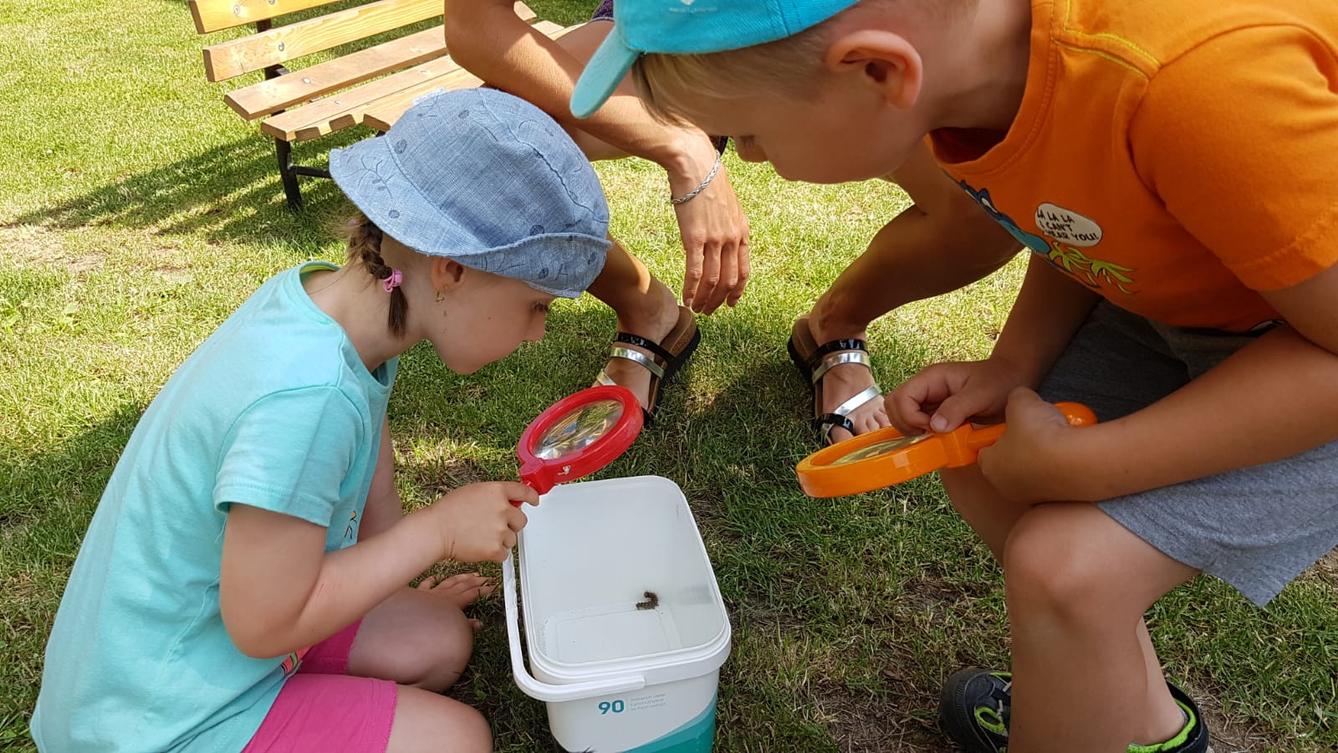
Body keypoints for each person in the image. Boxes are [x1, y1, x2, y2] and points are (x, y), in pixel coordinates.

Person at [569, 1, 1338, 752]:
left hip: (1309, 352)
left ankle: (1079, 689)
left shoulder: (1191, 84)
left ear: (876, 68)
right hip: (1212, 293)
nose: (755, 157)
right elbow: (1076, 206)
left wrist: (1094, 463)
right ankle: (1114, 710)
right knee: (975, 456)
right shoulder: (991, 74)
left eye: (747, 133)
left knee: (1068, 569)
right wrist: (1014, 365)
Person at [31, 88, 611, 753]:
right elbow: (262, 623)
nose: (538, 333)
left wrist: (409, 563)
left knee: (438, 639)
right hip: (162, 719)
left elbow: (375, 495)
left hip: (201, 650)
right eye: (538, 306)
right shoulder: (304, 398)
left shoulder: (332, 307)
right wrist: (440, 528)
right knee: (459, 741)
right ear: (451, 269)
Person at [444, 0, 1018, 442]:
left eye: (745, 138)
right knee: (487, 149)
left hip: (822, 34)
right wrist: (682, 148)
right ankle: (648, 312)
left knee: (991, 200)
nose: (745, 155)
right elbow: (476, 24)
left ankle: (838, 324)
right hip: (664, 30)